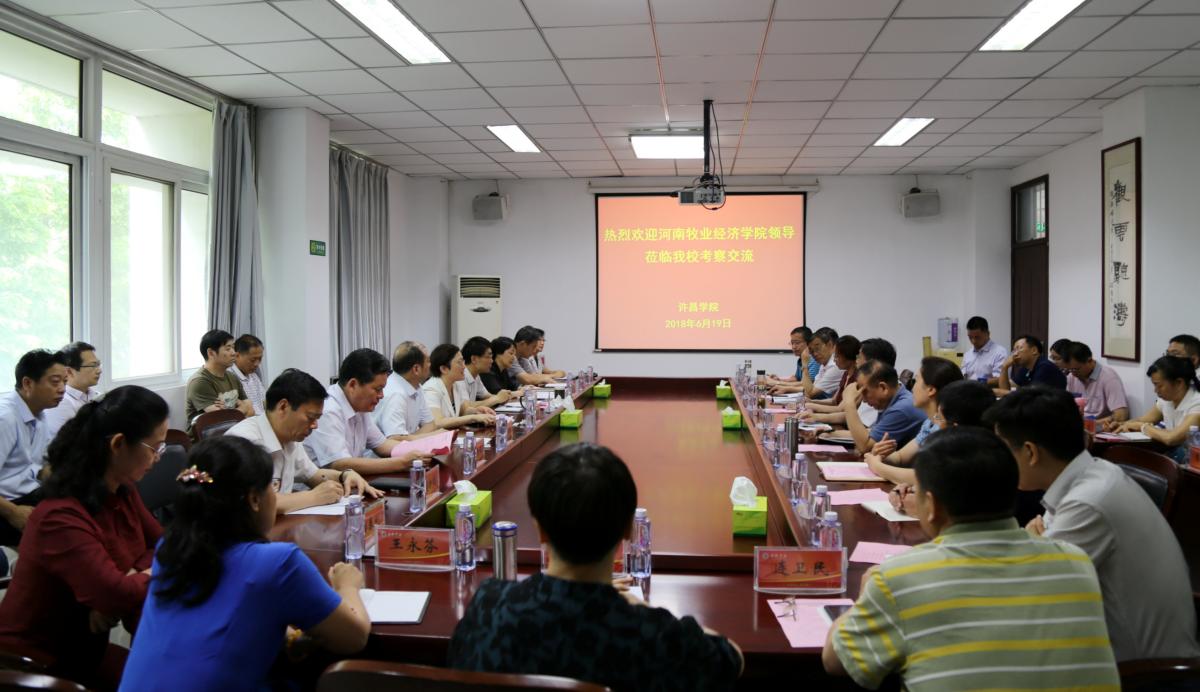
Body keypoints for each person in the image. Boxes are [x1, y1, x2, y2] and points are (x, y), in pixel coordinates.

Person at [823, 427, 1119, 690]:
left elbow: (835, 661)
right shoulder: (1076, 563)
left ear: (931, 505)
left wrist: (866, 594)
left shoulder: (896, 579)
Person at [448, 442, 743, 690]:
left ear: (540, 531)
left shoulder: (488, 606)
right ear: (629, 530)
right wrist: (638, 605)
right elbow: (731, 657)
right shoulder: (652, 635)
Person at [120, 436, 370, 692]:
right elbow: (354, 637)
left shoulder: (171, 548)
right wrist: (348, 586)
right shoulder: (279, 562)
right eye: (272, 486)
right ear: (254, 499)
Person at [987, 386, 1200, 662]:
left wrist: (1032, 547)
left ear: (1030, 452)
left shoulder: (1087, 503)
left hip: (1146, 672)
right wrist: (1034, 548)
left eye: (1003, 450)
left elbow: (1025, 592)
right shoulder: (1092, 472)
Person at [0, 386, 166, 689]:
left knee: (162, 676)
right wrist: (126, 585)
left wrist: (132, 574)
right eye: (155, 448)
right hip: (34, 664)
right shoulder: (59, 516)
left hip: (85, 648)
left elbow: (164, 544)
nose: (158, 458)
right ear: (118, 444)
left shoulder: (122, 491)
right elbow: (115, 593)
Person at [226, 369, 382, 514]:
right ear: (283, 407)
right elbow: (255, 503)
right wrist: (314, 496)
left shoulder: (289, 438)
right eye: (310, 418)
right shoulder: (245, 441)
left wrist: (344, 475)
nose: (315, 426)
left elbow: (313, 475)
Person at [304, 348, 429, 475]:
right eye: (378, 389)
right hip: (322, 485)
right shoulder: (328, 410)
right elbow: (339, 464)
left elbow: (382, 445)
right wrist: (401, 463)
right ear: (353, 385)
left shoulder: (359, 407)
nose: (381, 395)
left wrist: (423, 450)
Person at [887, 379, 997, 516]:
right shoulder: (985, 450)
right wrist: (910, 490)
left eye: (939, 418)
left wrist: (920, 505)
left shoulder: (974, 465)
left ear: (955, 428)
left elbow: (945, 512)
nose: (935, 424)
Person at [0, 349, 67, 547]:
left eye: (65, 382)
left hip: (30, 494)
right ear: (28, 383)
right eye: (55, 382)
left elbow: (38, 466)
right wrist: (13, 513)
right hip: (7, 506)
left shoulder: (39, 413)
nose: (62, 389)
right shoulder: (5, 419)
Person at [863, 356, 962, 484]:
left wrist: (878, 467)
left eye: (916, 381)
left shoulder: (946, 427)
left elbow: (926, 477)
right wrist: (880, 456)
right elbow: (900, 458)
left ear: (931, 390)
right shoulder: (930, 423)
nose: (913, 388)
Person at [1107, 355, 1200, 461]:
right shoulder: (1166, 400)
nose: (1155, 390)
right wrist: (1120, 425)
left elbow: (1172, 438)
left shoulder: (1197, 403)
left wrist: (1142, 427)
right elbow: (1143, 420)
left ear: (1179, 383)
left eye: (1159, 385)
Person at [800, 337, 895, 428]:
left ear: (872, 363)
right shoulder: (850, 375)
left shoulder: (870, 385)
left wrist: (827, 431)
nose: (856, 359)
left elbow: (865, 431)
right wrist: (815, 413)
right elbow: (849, 414)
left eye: (859, 356)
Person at [842, 360, 927, 454]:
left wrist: (849, 404)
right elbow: (872, 433)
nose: (864, 400)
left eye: (865, 392)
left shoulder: (901, 408)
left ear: (883, 388)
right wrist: (831, 434)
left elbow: (865, 447)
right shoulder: (892, 399)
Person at [184, 329, 254, 429]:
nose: (234, 353)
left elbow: (251, 410)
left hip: (234, 431)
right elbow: (221, 421)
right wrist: (242, 406)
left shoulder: (232, 377)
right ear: (211, 353)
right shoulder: (200, 381)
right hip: (208, 437)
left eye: (233, 348)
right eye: (228, 349)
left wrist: (234, 408)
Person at [374, 341, 442, 440]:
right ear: (416, 369)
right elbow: (396, 439)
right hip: (386, 450)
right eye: (428, 361)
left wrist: (410, 438)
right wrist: (436, 435)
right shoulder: (395, 394)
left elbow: (430, 425)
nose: (430, 365)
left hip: (408, 446)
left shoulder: (416, 386)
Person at [422, 344, 496, 430]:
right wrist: (473, 417)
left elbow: (463, 410)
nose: (464, 367)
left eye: (463, 361)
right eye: (459, 362)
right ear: (444, 369)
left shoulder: (455, 384)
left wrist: (477, 411)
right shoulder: (431, 389)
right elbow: (437, 422)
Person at [44, 341, 102, 438]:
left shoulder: (96, 396)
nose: (99, 370)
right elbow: (67, 443)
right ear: (69, 371)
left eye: (98, 365)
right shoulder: (60, 402)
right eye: (93, 365)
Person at [1063, 341, 1128, 423]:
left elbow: (1121, 415)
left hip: (1099, 426)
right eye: (1069, 369)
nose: (1073, 374)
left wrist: (1091, 424)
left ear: (1089, 361)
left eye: (1076, 369)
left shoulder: (1108, 377)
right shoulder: (1071, 377)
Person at [777, 327, 842, 399]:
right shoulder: (824, 364)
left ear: (830, 345)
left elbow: (810, 393)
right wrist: (784, 387)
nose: (815, 354)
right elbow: (810, 388)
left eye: (817, 349)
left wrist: (805, 366)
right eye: (812, 351)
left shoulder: (835, 366)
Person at [460, 336, 517, 410]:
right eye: (488, 357)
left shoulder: (476, 376)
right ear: (474, 359)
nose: (492, 361)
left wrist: (502, 398)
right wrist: (497, 398)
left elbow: (486, 395)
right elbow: (465, 407)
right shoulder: (460, 377)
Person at [998, 334, 1066, 391]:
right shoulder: (1026, 368)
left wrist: (1000, 392)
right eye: (1014, 350)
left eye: (1019, 348)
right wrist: (1004, 367)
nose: (1015, 354)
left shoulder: (1045, 367)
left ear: (1034, 350)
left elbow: (1031, 395)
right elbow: (1005, 389)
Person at [960, 315, 1007, 386]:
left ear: (988, 334)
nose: (973, 341)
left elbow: (1000, 379)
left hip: (989, 390)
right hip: (969, 389)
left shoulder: (999, 352)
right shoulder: (968, 354)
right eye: (970, 337)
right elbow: (963, 375)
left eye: (977, 337)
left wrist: (976, 383)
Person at [230, 334, 266, 417]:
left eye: (260, 359)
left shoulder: (254, 375)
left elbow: (264, 401)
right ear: (237, 355)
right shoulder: (230, 377)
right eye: (252, 360)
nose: (257, 364)